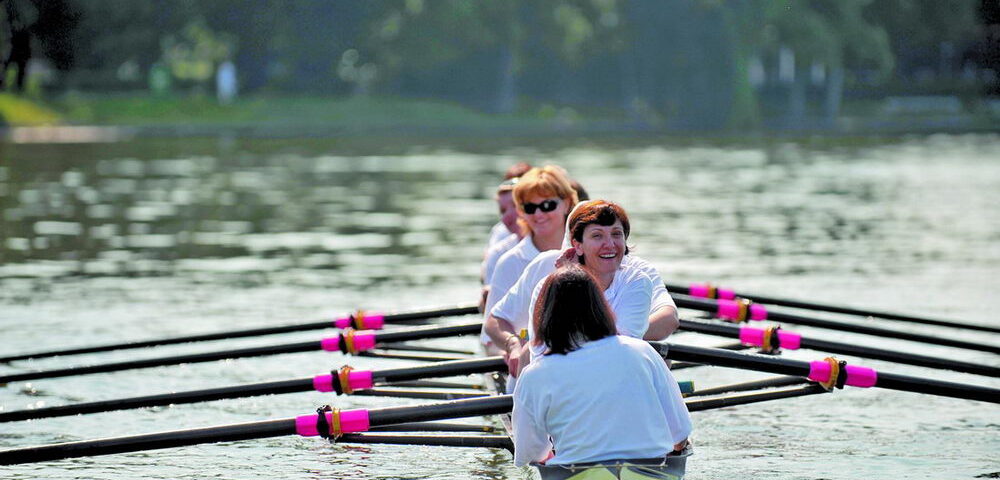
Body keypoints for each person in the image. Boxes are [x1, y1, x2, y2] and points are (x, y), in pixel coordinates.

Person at [512, 265, 692, 478]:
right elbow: (680, 435)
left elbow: (529, 453)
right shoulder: (643, 352)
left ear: (545, 316)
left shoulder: (534, 374)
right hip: (653, 474)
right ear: (601, 307)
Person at [485, 200, 679, 374]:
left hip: (610, 372)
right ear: (577, 244)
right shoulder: (545, 273)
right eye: (597, 235)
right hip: (555, 379)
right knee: (527, 352)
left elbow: (619, 346)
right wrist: (513, 344)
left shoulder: (637, 277)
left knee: (656, 359)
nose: (609, 244)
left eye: (616, 234)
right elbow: (541, 352)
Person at [481, 165, 579, 350]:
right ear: (521, 212)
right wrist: (513, 346)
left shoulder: (586, 252)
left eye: (547, 205)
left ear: (566, 204)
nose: (538, 214)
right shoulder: (509, 262)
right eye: (530, 207)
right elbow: (491, 338)